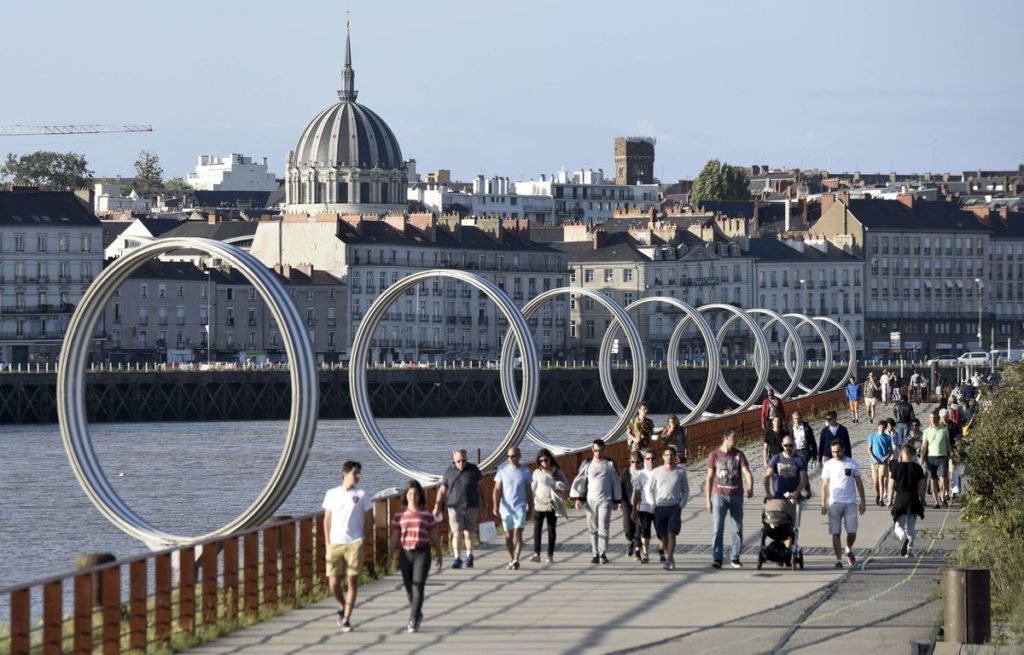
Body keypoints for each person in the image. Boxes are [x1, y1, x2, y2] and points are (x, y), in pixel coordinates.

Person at [322, 460, 374, 633]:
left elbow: (370, 518)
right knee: (333, 583)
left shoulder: (362, 495)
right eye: (355, 473)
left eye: (359, 473)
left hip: (354, 543)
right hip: (335, 543)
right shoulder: (331, 494)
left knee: (352, 580)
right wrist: (327, 541)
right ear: (345, 473)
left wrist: (363, 538)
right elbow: (327, 519)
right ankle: (343, 606)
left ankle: (346, 618)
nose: (358, 476)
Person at [389, 479, 442, 633]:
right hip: (405, 553)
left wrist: (439, 552)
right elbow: (394, 536)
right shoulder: (400, 514)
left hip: (422, 553)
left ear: (420, 496)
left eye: (415, 494)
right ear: (406, 495)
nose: (413, 497)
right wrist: (389, 555)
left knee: (418, 586)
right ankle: (417, 612)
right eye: (410, 494)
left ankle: (413, 619)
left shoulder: (426, 514)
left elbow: (433, 535)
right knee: (409, 589)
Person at [706, 428, 754, 569]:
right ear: (726, 438)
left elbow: (746, 472)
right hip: (719, 495)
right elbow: (709, 478)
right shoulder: (713, 455)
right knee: (717, 527)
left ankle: (735, 557)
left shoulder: (739, 454)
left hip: (736, 495)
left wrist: (750, 487)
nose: (736, 439)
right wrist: (708, 499)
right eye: (734, 437)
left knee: (737, 527)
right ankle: (717, 557)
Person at [570, 439, 622, 564]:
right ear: (592, 450)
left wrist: (617, 500)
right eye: (595, 450)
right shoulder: (587, 464)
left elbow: (616, 481)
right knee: (592, 528)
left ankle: (602, 554)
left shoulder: (610, 464)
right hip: (590, 501)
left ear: (604, 449)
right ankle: (595, 553)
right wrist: (578, 499)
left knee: (603, 527)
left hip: (606, 500)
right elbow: (582, 482)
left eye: (600, 450)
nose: (597, 452)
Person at [433, 448, 485, 569]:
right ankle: (457, 558)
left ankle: (469, 555)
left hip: (471, 505)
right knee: (456, 532)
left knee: (469, 533)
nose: (461, 463)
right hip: (454, 507)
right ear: (453, 460)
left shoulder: (474, 469)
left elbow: (482, 487)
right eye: (458, 461)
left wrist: (484, 503)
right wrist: (437, 505)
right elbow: (442, 490)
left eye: (463, 460)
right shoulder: (448, 471)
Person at [820, 440, 867, 569]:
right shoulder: (828, 465)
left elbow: (859, 483)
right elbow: (824, 485)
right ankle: (839, 560)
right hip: (834, 502)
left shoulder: (852, 463)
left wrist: (863, 501)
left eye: (838, 451)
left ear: (844, 449)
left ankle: (848, 548)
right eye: (834, 452)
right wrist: (823, 503)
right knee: (836, 532)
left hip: (850, 502)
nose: (836, 454)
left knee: (852, 531)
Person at [492, 446, 533, 570]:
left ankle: (516, 559)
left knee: (518, 532)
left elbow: (529, 492)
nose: (511, 458)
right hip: (506, 508)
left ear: (519, 456)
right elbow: (497, 490)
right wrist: (495, 506)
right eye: (509, 456)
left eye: (513, 456)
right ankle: (511, 558)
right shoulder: (502, 471)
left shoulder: (525, 472)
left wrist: (530, 507)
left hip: (519, 506)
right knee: (508, 535)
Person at [650, 446, 690, 571]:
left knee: (672, 533)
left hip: (674, 507)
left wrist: (681, 505)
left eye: (671, 455)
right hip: (660, 507)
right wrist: (653, 504)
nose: (669, 457)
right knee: (663, 536)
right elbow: (650, 489)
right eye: (666, 455)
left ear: (675, 457)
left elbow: (686, 490)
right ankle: (670, 557)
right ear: (663, 457)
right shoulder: (656, 472)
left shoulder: (680, 472)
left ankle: (668, 559)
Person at [763, 435, 808, 548]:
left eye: (791, 445)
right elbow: (767, 476)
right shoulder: (776, 459)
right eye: (786, 445)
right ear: (782, 445)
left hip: (793, 498)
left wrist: (797, 492)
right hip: (779, 497)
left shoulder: (799, 460)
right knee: (777, 523)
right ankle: (782, 548)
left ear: (794, 445)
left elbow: (803, 479)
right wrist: (768, 493)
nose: (788, 448)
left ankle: (788, 550)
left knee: (791, 526)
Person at [887, 445, 927, 557]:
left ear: (902, 454)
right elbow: (922, 485)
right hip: (913, 498)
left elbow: (891, 485)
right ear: (912, 454)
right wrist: (922, 500)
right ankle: (909, 551)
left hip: (900, 498)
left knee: (898, 526)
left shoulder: (895, 467)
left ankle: (903, 538)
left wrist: (889, 500)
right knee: (910, 527)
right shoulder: (917, 468)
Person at [530, 448, 568, 563]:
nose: (544, 462)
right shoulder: (537, 472)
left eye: (546, 460)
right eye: (541, 460)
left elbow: (566, 486)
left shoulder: (557, 471)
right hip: (539, 503)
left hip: (552, 504)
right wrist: (531, 502)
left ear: (550, 459)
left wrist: (555, 483)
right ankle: (536, 553)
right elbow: (533, 488)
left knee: (551, 529)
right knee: (537, 529)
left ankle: (550, 554)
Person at [631, 448, 658, 563]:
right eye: (648, 458)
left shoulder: (661, 472)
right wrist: (634, 509)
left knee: (661, 533)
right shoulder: (640, 474)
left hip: (659, 507)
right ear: (645, 461)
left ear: (657, 460)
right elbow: (637, 492)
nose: (650, 461)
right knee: (645, 531)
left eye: (652, 458)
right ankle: (646, 554)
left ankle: (662, 551)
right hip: (644, 507)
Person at [919, 411, 951, 509]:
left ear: (938, 418)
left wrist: (952, 454)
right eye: (931, 418)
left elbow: (948, 444)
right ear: (929, 419)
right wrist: (922, 457)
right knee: (932, 480)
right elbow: (924, 446)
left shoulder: (944, 430)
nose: (932, 419)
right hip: (930, 458)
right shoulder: (926, 431)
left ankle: (942, 497)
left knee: (942, 479)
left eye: (934, 417)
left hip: (942, 457)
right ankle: (936, 501)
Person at [790, 410, 817, 500]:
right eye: (795, 419)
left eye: (798, 418)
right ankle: (802, 489)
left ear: (801, 418)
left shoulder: (806, 428)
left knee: (803, 471)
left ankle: (806, 489)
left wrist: (814, 455)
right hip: (794, 452)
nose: (797, 420)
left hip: (804, 452)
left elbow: (813, 442)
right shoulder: (791, 429)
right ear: (792, 419)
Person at [867, 420, 894, 506]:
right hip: (874, 461)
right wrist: (873, 458)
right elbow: (869, 449)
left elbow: (891, 451)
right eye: (880, 427)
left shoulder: (888, 437)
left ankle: (881, 499)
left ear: (885, 428)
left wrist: (886, 458)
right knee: (875, 482)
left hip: (883, 462)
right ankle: (878, 494)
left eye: (883, 427)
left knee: (881, 479)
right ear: (878, 427)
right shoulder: (872, 436)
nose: (882, 429)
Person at [620, 451, 640, 558]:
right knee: (627, 525)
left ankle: (637, 547)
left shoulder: (643, 473)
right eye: (632, 462)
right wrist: (620, 502)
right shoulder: (626, 473)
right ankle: (630, 541)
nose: (635, 464)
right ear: (630, 462)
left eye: (637, 462)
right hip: (627, 502)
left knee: (638, 526)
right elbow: (621, 487)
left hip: (640, 504)